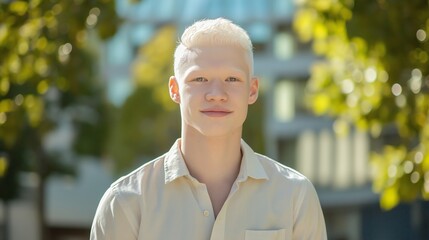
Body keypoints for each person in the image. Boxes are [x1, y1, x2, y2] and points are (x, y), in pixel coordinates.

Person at [90, 18, 327, 240]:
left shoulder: (296, 196)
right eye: (200, 79)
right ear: (174, 89)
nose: (216, 94)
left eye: (232, 79)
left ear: (252, 89)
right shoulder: (125, 203)